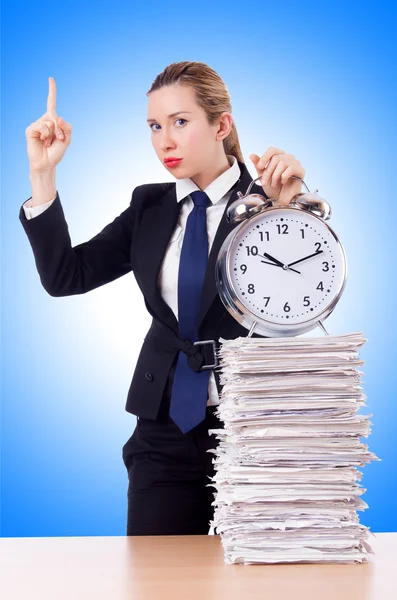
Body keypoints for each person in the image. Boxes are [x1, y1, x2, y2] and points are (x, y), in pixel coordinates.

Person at [21, 61, 306, 535]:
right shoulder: (147, 206)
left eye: (179, 122)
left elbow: (304, 294)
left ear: (222, 124)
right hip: (163, 430)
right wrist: (42, 174)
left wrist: (290, 207)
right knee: (156, 579)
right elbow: (66, 276)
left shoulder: (268, 200)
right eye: (154, 126)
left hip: (254, 427)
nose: (164, 141)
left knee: (258, 578)